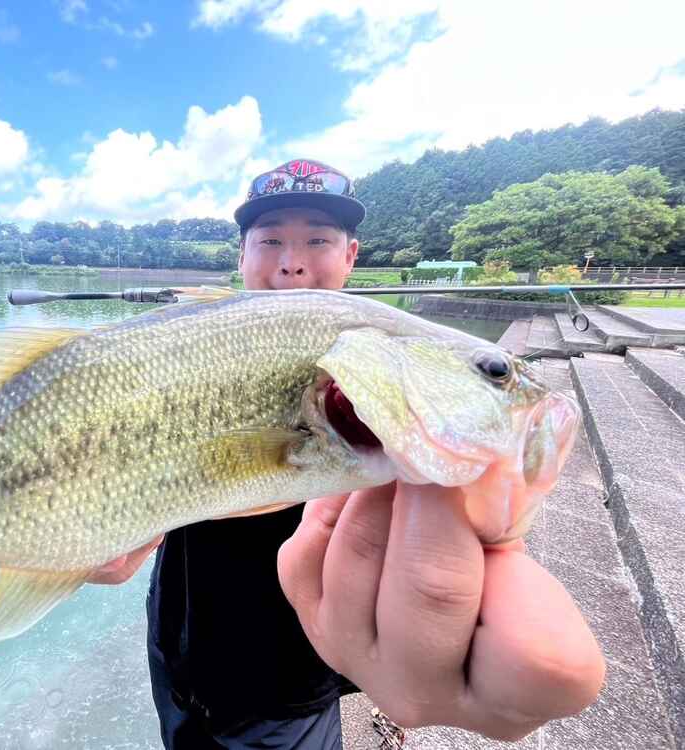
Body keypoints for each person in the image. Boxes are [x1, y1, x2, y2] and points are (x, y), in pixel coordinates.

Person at [89, 159, 606, 749]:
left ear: (351, 255)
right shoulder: (187, 343)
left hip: (286, 685)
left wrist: (474, 575)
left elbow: (464, 529)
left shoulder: (393, 400)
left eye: (318, 240)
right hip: (175, 648)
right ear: (241, 254)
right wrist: (86, 540)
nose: (292, 261)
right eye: (270, 240)